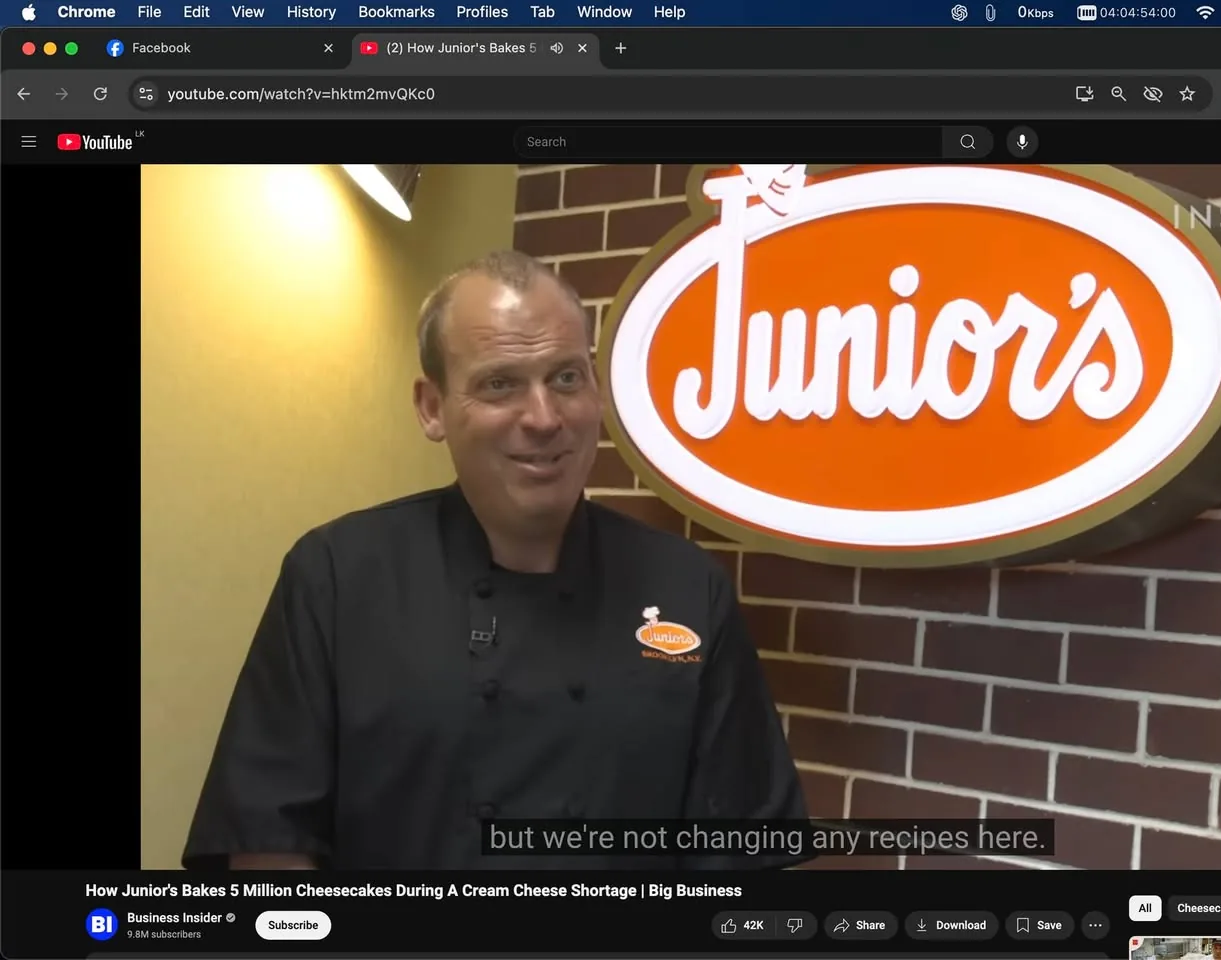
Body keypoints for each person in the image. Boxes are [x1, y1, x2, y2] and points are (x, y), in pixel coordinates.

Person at [183, 249, 806, 870]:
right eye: (499, 383)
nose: (543, 418)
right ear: (432, 408)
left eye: (566, 377)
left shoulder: (688, 589)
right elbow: (270, 846)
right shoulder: (337, 578)